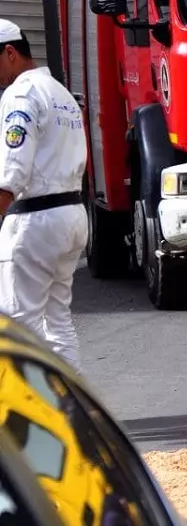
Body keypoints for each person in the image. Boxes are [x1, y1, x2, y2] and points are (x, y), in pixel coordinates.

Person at [0, 20, 88, 370]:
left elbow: (12, 168)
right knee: (57, 322)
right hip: (70, 215)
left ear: (9, 53)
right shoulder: (60, 92)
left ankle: (26, 418)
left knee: (18, 323)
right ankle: (72, 413)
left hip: (34, 220)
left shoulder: (20, 93)